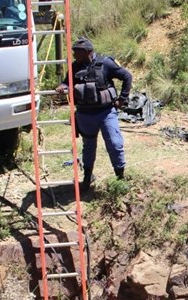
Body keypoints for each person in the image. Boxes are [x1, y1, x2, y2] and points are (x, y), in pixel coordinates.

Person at [56, 37, 132, 192]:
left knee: (115, 144)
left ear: (88, 52)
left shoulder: (106, 63)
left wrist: (122, 99)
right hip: (85, 115)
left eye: (78, 52)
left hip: (106, 113)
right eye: (74, 51)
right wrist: (62, 87)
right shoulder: (74, 67)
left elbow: (127, 76)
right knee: (89, 147)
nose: (75, 54)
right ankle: (87, 177)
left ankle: (120, 178)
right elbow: (67, 82)